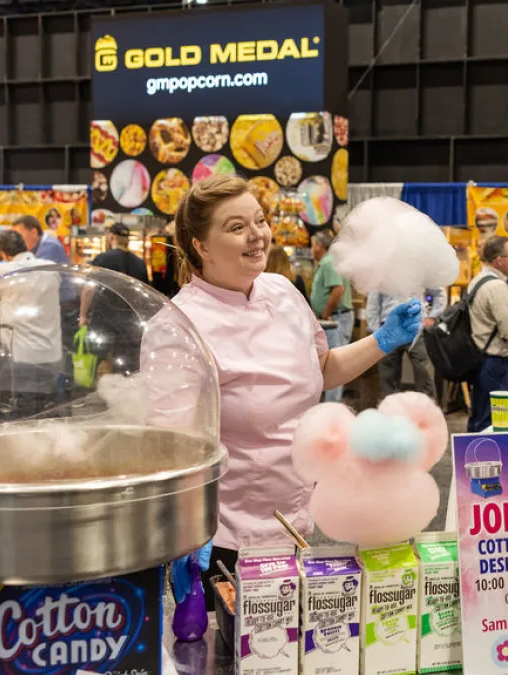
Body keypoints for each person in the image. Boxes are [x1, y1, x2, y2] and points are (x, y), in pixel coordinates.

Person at [146, 175, 421, 608]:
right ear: (200, 245)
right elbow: (171, 448)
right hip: (224, 543)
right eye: (236, 227)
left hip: (295, 525)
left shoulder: (281, 292)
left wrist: (383, 341)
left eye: (259, 220)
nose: (256, 235)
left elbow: (323, 368)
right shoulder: (180, 326)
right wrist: (181, 534)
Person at [0, 230, 65, 418]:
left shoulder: (5, 271)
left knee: (24, 409)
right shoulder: (50, 268)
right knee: (47, 404)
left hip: (22, 354)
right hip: (52, 352)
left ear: (4, 254)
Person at [466, 236, 508, 432]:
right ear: (499, 260)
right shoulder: (498, 287)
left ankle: (471, 459)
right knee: (494, 423)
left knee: (479, 417)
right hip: (495, 364)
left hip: (479, 359)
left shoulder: (478, 281)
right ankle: (487, 460)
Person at [79, 223, 150, 375]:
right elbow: (143, 296)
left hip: (104, 322)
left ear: (111, 237)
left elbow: (88, 289)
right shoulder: (140, 263)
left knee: (103, 366)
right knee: (125, 369)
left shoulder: (102, 259)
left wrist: (83, 316)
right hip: (129, 325)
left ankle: (104, 396)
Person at [366, 288, 444, 398]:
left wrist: (432, 316)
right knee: (388, 379)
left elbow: (439, 293)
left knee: (424, 374)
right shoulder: (382, 272)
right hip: (389, 327)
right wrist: (375, 330)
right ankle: (389, 412)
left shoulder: (421, 270)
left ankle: (428, 411)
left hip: (415, 325)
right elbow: (373, 300)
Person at [309, 232, 354, 402]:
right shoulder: (327, 262)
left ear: (319, 246)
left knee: (334, 366)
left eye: (313, 245)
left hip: (336, 319)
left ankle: (331, 409)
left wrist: (326, 312)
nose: (312, 249)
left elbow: (338, 289)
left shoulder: (329, 262)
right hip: (333, 318)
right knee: (330, 365)